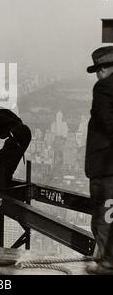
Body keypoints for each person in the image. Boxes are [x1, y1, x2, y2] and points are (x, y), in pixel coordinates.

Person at [85, 46, 113, 275]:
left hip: (106, 167)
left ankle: (106, 263)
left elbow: (107, 122)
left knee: (103, 216)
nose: (97, 75)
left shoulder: (104, 87)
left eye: (99, 69)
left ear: (105, 68)